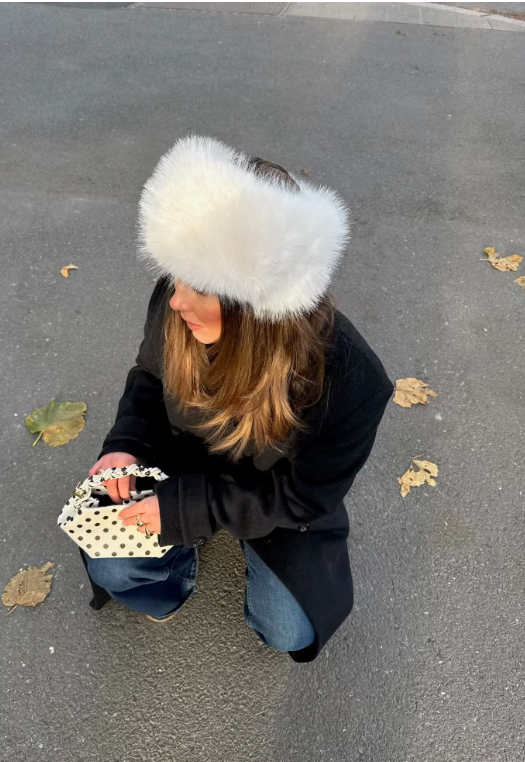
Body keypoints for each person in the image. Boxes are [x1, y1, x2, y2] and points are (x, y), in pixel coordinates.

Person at [80, 134, 394, 664]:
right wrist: (125, 444)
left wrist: (189, 511)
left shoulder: (352, 382)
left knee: (289, 626)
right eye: (177, 277)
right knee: (113, 565)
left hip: (274, 502)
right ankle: (174, 571)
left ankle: (240, 549)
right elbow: (148, 378)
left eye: (201, 286)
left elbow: (302, 499)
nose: (176, 301)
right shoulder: (177, 301)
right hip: (178, 463)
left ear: (259, 306)